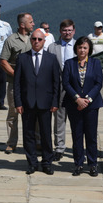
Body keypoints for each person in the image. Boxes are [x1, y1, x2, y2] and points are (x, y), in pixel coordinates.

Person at [14, 29, 61, 175]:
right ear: (30, 40)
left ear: (44, 41)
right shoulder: (22, 58)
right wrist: (18, 102)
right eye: (34, 39)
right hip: (27, 103)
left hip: (45, 103)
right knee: (28, 134)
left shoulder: (51, 58)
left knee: (46, 134)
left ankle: (47, 162)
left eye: (39, 39)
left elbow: (56, 83)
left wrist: (55, 102)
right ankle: (32, 163)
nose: (36, 42)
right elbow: (17, 83)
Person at [62, 36, 103, 176]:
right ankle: (78, 163)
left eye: (85, 48)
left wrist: (87, 99)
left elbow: (98, 83)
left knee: (91, 135)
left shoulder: (95, 63)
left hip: (91, 105)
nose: (82, 50)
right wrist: (77, 99)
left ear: (89, 49)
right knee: (77, 135)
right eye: (80, 47)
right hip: (74, 105)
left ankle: (92, 164)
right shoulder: (69, 63)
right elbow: (66, 83)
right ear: (76, 49)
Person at [0, 12, 33, 154]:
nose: (33, 24)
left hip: (32, 84)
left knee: (33, 112)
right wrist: (16, 75)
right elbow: (3, 61)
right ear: (22, 25)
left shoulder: (35, 39)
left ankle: (35, 141)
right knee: (13, 113)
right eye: (30, 22)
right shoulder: (11, 40)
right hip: (15, 84)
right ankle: (12, 142)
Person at [47, 19, 76, 161]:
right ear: (60, 32)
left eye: (70, 30)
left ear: (74, 31)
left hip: (76, 88)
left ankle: (77, 146)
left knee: (76, 119)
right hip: (57, 87)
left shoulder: (80, 46)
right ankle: (59, 147)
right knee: (59, 120)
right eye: (65, 30)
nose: (67, 33)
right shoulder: (52, 47)